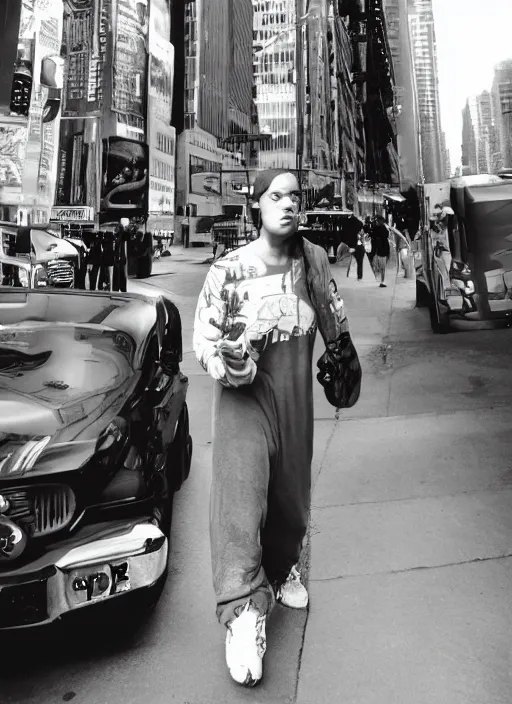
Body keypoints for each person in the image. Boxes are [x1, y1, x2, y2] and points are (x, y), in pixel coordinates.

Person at [193, 169, 346, 688]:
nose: (287, 204)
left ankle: (282, 570)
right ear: (257, 205)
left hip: (294, 398)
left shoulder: (314, 261)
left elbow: (333, 322)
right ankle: (241, 612)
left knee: (290, 498)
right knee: (240, 501)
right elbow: (205, 339)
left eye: (294, 197)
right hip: (243, 404)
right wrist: (226, 364)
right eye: (275, 196)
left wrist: (344, 362)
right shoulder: (229, 270)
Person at [370, 215, 391, 287]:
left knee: (381, 267)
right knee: (381, 267)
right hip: (380, 250)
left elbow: (373, 237)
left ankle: (382, 280)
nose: (377, 222)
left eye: (378, 220)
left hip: (380, 250)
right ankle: (382, 280)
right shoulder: (383, 229)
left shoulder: (379, 229)